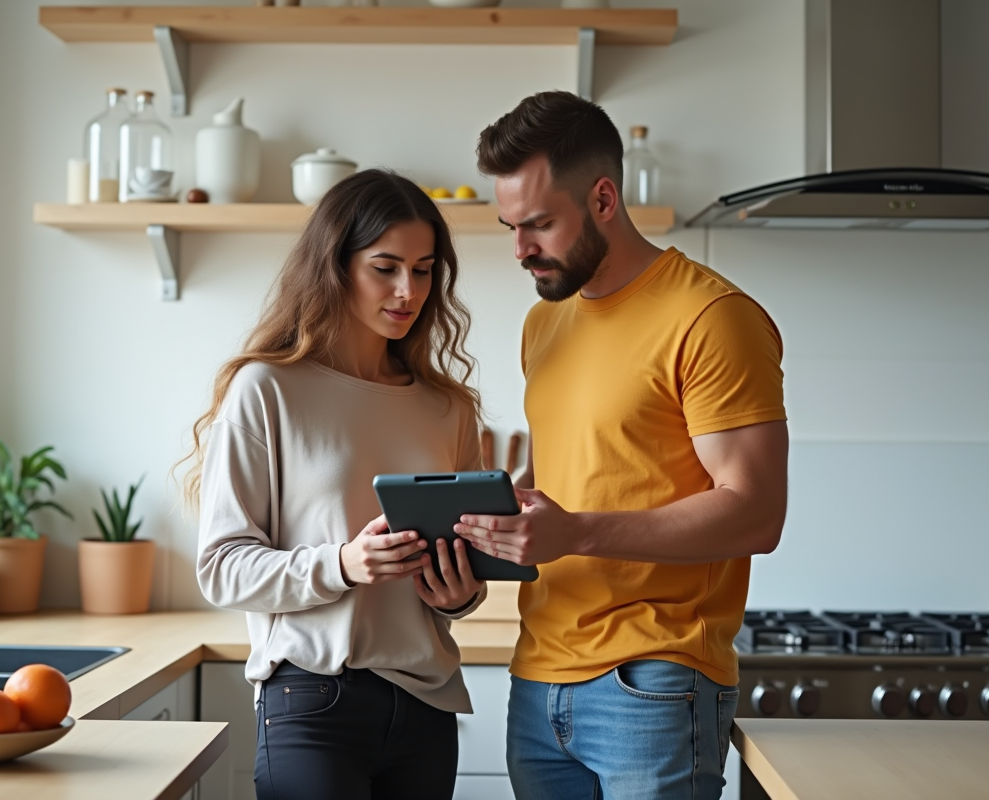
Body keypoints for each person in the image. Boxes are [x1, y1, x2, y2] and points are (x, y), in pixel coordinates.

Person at [456, 92, 790, 800]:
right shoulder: (543, 327)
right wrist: (491, 528)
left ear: (604, 198)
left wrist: (574, 530)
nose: (520, 250)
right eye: (510, 226)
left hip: (655, 680)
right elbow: (574, 482)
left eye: (540, 224)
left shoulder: (711, 318)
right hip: (538, 676)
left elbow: (757, 514)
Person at [185, 169, 488, 800]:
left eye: (425, 269)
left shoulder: (448, 407)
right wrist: (343, 564)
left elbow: (460, 578)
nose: (409, 290)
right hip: (313, 699)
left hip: (427, 705)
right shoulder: (267, 389)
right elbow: (220, 567)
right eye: (386, 267)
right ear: (335, 266)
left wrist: (458, 593)